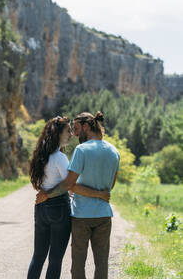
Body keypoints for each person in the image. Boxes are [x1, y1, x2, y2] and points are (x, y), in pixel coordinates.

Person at [36, 111, 120, 279]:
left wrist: (47, 195)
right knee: (102, 265)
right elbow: (110, 186)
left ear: (86, 126)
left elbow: (69, 184)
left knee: (78, 266)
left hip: (82, 215)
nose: (74, 134)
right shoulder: (114, 151)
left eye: (76, 128)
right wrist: (99, 194)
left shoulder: (81, 150)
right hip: (104, 215)